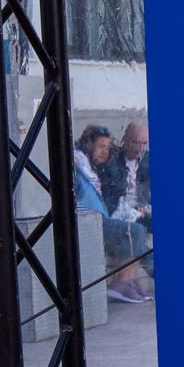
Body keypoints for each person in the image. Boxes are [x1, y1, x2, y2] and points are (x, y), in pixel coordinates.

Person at [74, 124, 150, 304]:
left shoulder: (92, 167)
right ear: (88, 145)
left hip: (99, 217)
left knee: (140, 232)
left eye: (107, 148)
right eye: (101, 147)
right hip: (87, 221)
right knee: (136, 231)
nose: (104, 152)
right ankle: (121, 283)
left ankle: (130, 282)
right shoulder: (78, 163)